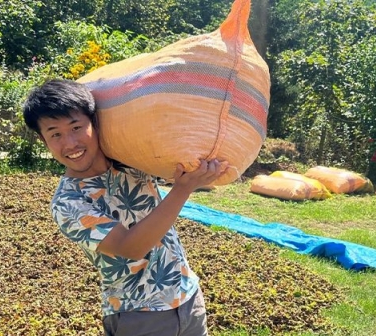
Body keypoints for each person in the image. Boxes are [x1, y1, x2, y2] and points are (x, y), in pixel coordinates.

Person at [22, 79, 227, 336]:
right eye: (55, 134)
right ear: (44, 141)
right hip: (139, 315)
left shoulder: (130, 160)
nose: (70, 143)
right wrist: (183, 188)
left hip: (188, 295)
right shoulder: (68, 203)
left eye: (76, 127)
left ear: (94, 124)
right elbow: (131, 247)